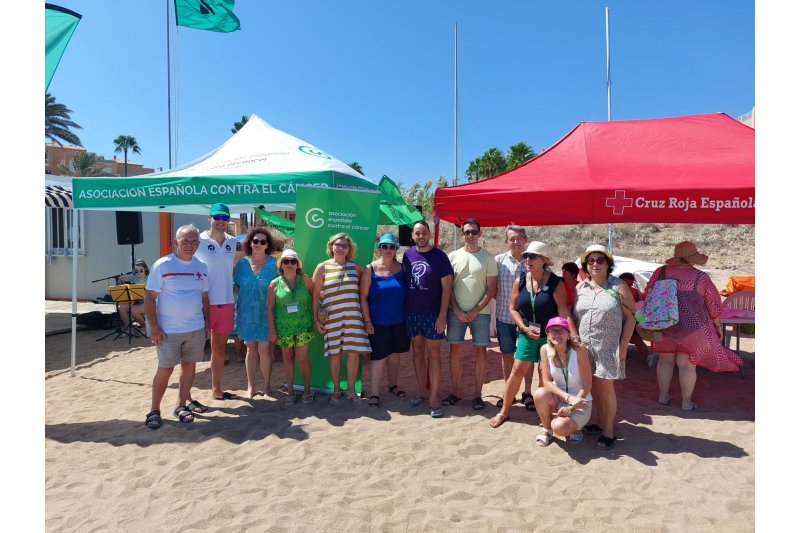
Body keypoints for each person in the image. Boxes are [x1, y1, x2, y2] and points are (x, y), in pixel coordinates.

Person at [646, 241, 743, 410]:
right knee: (687, 366)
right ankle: (686, 403)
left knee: (665, 362)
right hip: (692, 328)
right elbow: (713, 304)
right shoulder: (700, 277)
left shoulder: (661, 272)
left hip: (664, 324)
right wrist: (718, 326)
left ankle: (663, 397)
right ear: (692, 258)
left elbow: (648, 292)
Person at [489, 242, 576, 428]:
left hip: (550, 336)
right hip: (528, 333)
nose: (528, 259)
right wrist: (523, 327)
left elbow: (564, 311)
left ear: (543, 260)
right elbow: (513, 309)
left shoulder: (555, 282)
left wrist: (574, 336)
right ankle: (504, 411)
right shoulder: (520, 280)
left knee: (545, 374)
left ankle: (542, 413)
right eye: (526, 256)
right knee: (517, 370)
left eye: (533, 256)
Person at [143, 224, 209, 429]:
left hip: (195, 329)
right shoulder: (162, 265)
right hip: (168, 331)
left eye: (194, 241)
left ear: (198, 244)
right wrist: (154, 327)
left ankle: (181, 406)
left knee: (189, 367)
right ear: (175, 242)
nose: (189, 245)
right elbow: (149, 297)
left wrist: (206, 322)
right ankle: (154, 410)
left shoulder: (201, 266)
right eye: (185, 241)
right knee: (165, 369)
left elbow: (204, 296)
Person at [572, 244, 637, 448]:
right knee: (593, 387)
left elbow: (632, 317)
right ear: (585, 265)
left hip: (608, 347)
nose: (595, 264)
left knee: (606, 389)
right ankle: (600, 423)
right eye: (590, 261)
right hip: (584, 348)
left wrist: (623, 347)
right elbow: (575, 316)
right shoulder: (580, 288)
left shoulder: (618, 286)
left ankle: (608, 431)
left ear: (608, 264)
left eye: (600, 260)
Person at [402, 220, 453, 418]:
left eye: (424, 232)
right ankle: (422, 391)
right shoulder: (407, 254)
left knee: (434, 355)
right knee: (417, 352)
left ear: (429, 234)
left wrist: (442, 316)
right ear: (412, 236)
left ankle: (434, 398)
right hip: (412, 312)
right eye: (417, 233)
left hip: (432, 314)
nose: (421, 236)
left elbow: (447, 288)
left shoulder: (440, 256)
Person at [312, 233, 371, 404]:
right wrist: (316, 320)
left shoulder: (356, 268)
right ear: (331, 246)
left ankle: (351, 390)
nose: (341, 248)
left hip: (353, 317)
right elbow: (315, 296)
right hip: (332, 318)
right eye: (338, 244)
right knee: (335, 354)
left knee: (353, 354)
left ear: (349, 249)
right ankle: (336, 390)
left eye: (345, 245)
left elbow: (364, 294)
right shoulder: (322, 267)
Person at [446, 218, 498, 411]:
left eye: (474, 231)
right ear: (462, 234)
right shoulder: (452, 256)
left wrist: (476, 310)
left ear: (480, 233)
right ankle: (455, 392)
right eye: (467, 232)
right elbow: (448, 287)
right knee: (454, 351)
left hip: (481, 313)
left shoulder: (488, 258)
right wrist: (457, 309)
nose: (470, 235)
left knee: (480, 352)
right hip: (455, 312)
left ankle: (477, 395)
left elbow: (491, 289)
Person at [194, 203, 240, 401]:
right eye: (217, 217)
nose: (221, 221)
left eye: (224, 217)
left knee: (219, 348)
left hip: (225, 302)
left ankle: (216, 389)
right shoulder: (197, 240)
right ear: (210, 218)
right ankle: (185, 397)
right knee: (192, 350)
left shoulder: (232, 242)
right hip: (201, 302)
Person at [359, 233, 411, 408]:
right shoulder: (370, 269)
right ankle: (374, 394)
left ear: (396, 249)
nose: (388, 249)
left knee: (395, 355)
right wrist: (367, 321)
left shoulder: (403, 268)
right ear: (379, 249)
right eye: (385, 246)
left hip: (400, 321)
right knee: (378, 357)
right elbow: (363, 297)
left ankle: (393, 385)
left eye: (392, 246)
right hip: (378, 323)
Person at [233, 227, 279, 399]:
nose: (258, 244)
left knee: (264, 350)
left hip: (266, 313)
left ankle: (266, 387)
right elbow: (236, 287)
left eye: (262, 241)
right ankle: (251, 387)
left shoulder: (274, 264)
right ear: (250, 243)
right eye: (255, 241)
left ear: (267, 245)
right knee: (251, 349)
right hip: (246, 313)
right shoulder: (242, 264)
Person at [494, 225, 535, 410]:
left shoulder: (534, 260)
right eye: (512, 239)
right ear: (506, 241)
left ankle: (527, 392)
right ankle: (508, 391)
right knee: (507, 355)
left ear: (525, 239)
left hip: (530, 319)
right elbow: (492, 287)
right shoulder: (498, 261)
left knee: (528, 355)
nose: (516, 242)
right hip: (504, 316)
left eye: (519, 238)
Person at [268, 249, 315, 405]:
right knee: (287, 359)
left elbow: (316, 295)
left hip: (303, 326)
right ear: (281, 265)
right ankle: (290, 391)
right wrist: (272, 329)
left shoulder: (305, 279)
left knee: (302, 359)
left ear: (297, 264)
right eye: (286, 261)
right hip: (284, 328)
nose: (289, 264)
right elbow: (269, 308)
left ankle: (307, 390)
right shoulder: (274, 284)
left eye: (292, 261)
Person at [618, 272, 651, 363]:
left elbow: (638, 306)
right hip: (618, 320)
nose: (629, 285)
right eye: (626, 283)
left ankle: (648, 358)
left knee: (637, 340)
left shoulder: (635, 292)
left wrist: (643, 320)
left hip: (630, 321)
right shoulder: (613, 291)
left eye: (630, 283)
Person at [119, 259, 149, 334]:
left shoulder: (150, 278)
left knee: (134, 311)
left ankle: (144, 327)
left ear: (145, 269)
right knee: (122, 308)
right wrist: (120, 284)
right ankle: (130, 329)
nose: (138, 273)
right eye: (136, 271)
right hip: (138, 303)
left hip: (149, 303)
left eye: (141, 271)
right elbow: (120, 278)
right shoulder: (134, 277)